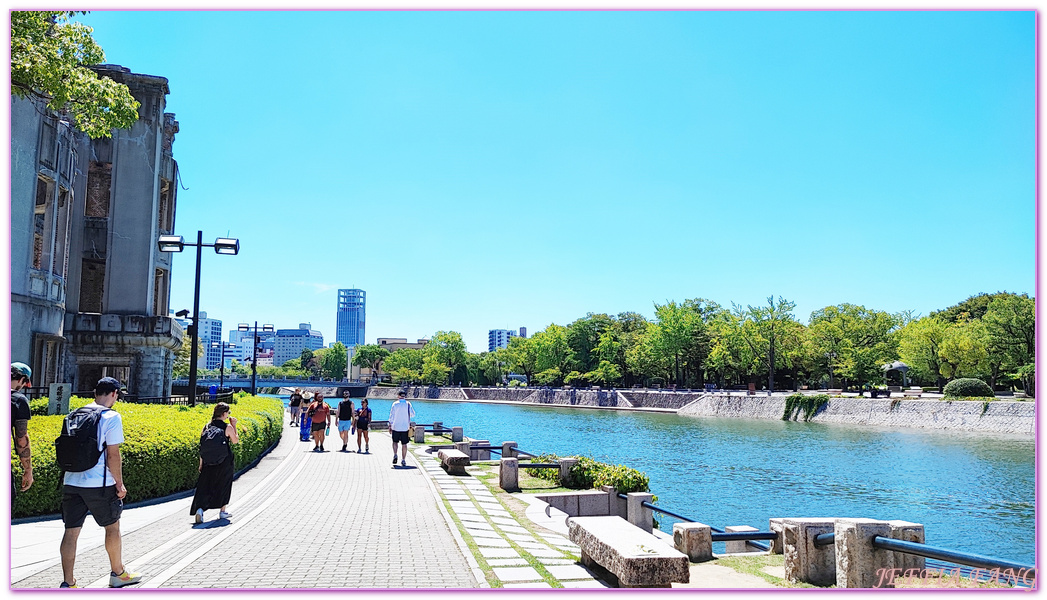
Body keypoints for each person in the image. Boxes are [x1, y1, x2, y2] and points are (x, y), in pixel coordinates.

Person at [59, 377, 142, 589]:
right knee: (112, 528)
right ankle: (118, 573)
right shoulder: (111, 417)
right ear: (114, 393)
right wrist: (119, 483)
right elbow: (113, 455)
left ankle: (69, 582)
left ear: (96, 392)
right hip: (99, 483)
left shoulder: (74, 414)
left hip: (71, 480)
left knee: (71, 531)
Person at [191, 403, 239, 524]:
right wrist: (234, 425)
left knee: (205, 486)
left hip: (208, 461)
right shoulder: (227, 427)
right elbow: (235, 441)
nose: (228, 415)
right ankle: (222, 511)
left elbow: (202, 446)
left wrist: (201, 463)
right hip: (224, 461)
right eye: (228, 413)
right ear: (223, 414)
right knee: (224, 484)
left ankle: (200, 510)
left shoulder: (207, 427)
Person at [11, 362, 33, 507]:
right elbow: (21, 439)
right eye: (24, 383)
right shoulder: (17, 400)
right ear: (21, 379)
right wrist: (28, 470)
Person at [388, 391, 415, 467]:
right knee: (404, 444)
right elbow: (413, 414)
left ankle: (395, 454)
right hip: (405, 427)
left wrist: (390, 425)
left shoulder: (395, 404)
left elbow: (391, 415)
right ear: (404, 396)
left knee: (395, 442)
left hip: (395, 426)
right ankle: (403, 460)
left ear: (398, 396)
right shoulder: (408, 404)